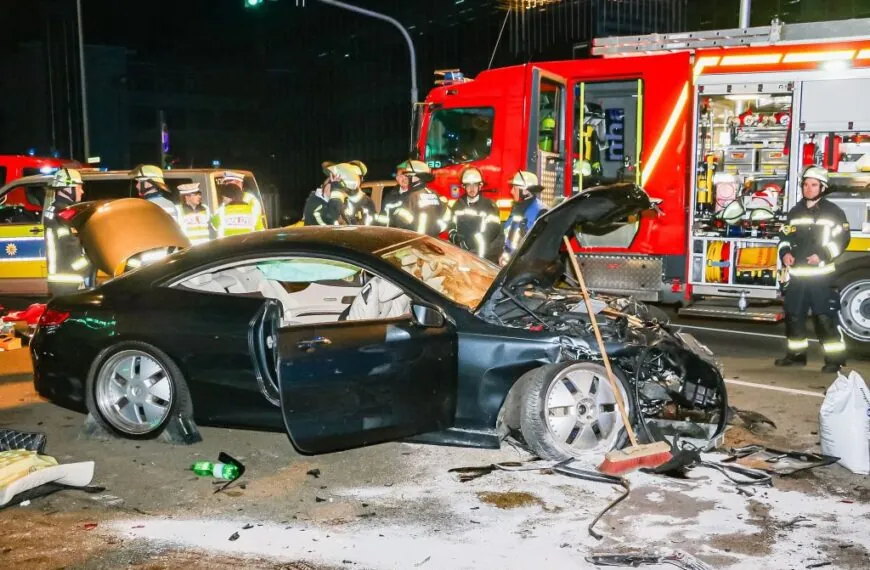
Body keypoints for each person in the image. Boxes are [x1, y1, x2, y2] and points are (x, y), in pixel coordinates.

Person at [775, 165, 850, 373]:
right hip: (797, 276)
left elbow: (842, 239)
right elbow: (784, 237)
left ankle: (835, 360)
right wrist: (785, 253)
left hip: (821, 278)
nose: (808, 189)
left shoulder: (834, 213)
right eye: (805, 185)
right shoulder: (795, 212)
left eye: (813, 185)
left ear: (822, 187)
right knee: (794, 317)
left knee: (824, 319)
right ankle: (796, 356)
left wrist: (823, 255)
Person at [43, 168, 89, 292]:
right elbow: (70, 246)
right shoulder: (64, 213)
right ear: (68, 188)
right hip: (68, 279)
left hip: (59, 277)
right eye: (79, 187)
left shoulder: (53, 209)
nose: (82, 191)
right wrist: (88, 266)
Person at [447, 166, 503, 261]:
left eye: (475, 185)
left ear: (480, 186)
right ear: (463, 186)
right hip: (461, 257)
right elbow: (451, 226)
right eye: (468, 185)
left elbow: (492, 231)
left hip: (483, 258)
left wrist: (469, 243)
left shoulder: (489, 206)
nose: (471, 189)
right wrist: (455, 238)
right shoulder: (458, 205)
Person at [389, 159, 447, 236]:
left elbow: (400, 222)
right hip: (432, 241)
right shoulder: (434, 194)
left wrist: (397, 213)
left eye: (408, 176)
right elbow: (444, 219)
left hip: (415, 242)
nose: (406, 179)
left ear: (415, 178)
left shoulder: (412, 196)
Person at [501, 170, 547, 264]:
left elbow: (537, 246)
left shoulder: (541, 212)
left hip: (526, 265)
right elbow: (509, 237)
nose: (511, 191)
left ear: (525, 190)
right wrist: (504, 255)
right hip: (510, 263)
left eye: (515, 188)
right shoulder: (518, 208)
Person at [212, 171, 266, 238]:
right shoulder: (227, 199)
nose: (226, 186)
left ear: (238, 183)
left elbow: (258, 228)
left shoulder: (252, 201)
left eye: (229, 183)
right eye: (225, 183)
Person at [374, 160, 413, 226]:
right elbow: (382, 219)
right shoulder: (390, 197)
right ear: (397, 178)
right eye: (400, 176)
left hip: (411, 235)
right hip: (392, 234)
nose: (404, 179)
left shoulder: (415, 196)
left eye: (406, 176)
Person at [342, 161, 376, 226]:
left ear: (361, 179)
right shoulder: (339, 198)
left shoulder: (367, 202)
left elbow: (369, 228)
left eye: (354, 176)